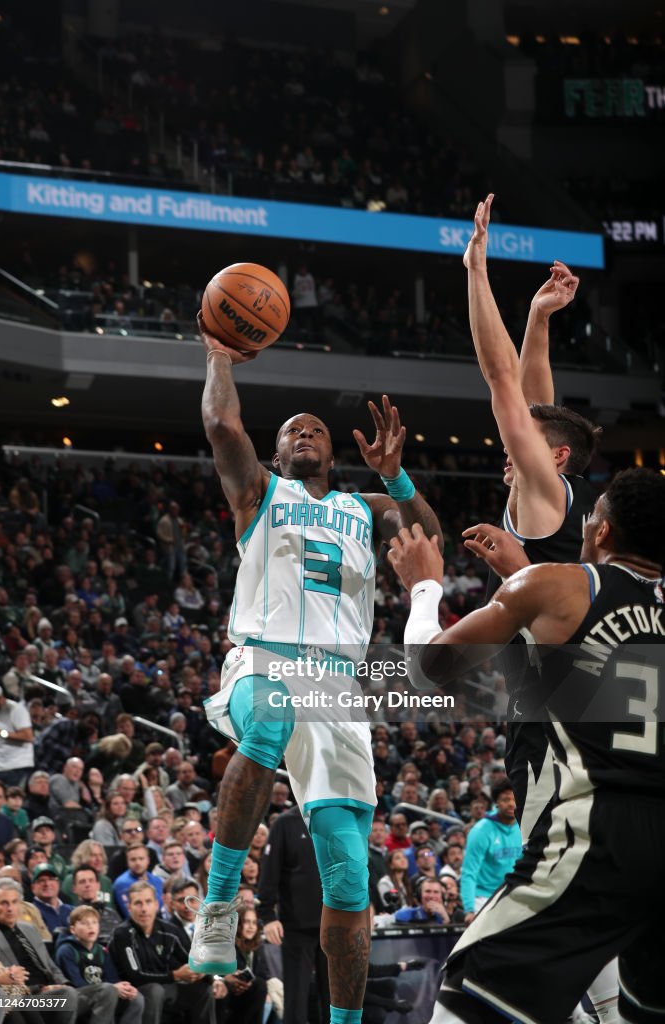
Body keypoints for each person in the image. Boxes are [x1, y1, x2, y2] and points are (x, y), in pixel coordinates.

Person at [192, 312, 441, 1024]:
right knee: (268, 719)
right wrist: (219, 357)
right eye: (290, 431)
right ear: (275, 453)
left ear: (334, 451)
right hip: (264, 659)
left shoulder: (367, 506)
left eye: (315, 430)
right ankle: (217, 909)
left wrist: (395, 476)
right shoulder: (260, 494)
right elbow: (222, 427)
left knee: (348, 875)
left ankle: (345, 1022)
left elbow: (428, 539)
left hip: (339, 687)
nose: (303, 434)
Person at [388, 467, 665, 1024]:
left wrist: (424, 586)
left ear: (603, 531)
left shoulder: (557, 586)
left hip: (600, 832)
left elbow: (426, 668)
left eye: (591, 516)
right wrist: (525, 578)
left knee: (465, 1002)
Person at [459, 195, 617, 1022]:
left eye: (524, 436)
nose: (507, 442)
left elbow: (502, 384)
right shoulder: (571, 497)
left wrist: (477, 271)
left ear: (550, 454)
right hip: (592, 687)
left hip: (549, 701)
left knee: (547, 880)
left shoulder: (546, 491)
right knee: (587, 870)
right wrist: (538, 318)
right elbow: (533, 391)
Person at [257, 804, 328, 1024]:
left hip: (336, 925)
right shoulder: (285, 823)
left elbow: (355, 866)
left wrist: (365, 905)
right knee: (296, 1000)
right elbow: (269, 871)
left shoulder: (339, 818)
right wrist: (267, 915)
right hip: (297, 925)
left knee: (338, 1001)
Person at [109, 879, 216, 1024]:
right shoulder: (123, 934)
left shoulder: (169, 931)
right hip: (133, 991)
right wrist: (175, 975)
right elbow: (135, 976)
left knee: (203, 989)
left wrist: (208, 977)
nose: (144, 909)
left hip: (166, 987)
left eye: (148, 902)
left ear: (156, 904)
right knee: (155, 990)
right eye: (138, 903)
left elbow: (192, 960)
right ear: (129, 907)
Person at [0, 877, 78, 1023]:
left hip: (51, 991)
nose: (10, 908)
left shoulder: (30, 929)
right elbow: (4, 980)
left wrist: (63, 983)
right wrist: (39, 988)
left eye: (14, 902)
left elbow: (50, 965)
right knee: (67, 996)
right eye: (4, 903)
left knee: (104, 991)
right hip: (26, 997)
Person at [55, 905, 143, 1024]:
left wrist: (123, 988)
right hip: (78, 997)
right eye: (84, 923)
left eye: (94, 922)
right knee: (108, 991)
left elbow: (112, 978)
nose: (90, 926)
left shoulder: (102, 951)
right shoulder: (66, 951)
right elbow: (76, 984)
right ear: (73, 929)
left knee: (136, 998)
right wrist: (111, 987)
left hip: (105, 991)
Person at [458, 778, 522, 922]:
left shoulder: (524, 827)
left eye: (514, 799)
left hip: (514, 895)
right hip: (484, 897)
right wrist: (469, 909)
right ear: (496, 803)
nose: (511, 804)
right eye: (506, 799)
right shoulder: (480, 831)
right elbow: (469, 872)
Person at [0, 682, 34, 787]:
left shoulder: (16, 709)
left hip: (16, 766)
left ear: (0, 698)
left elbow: (28, 736)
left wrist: (1, 733)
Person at [113, 845, 163, 916]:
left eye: (141, 859)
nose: (138, 863)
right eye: (133, 859)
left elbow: (161, 908)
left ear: (148, 860)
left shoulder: (157, 881)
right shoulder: (121, 883)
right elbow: (130, 914)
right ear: (127, 862)